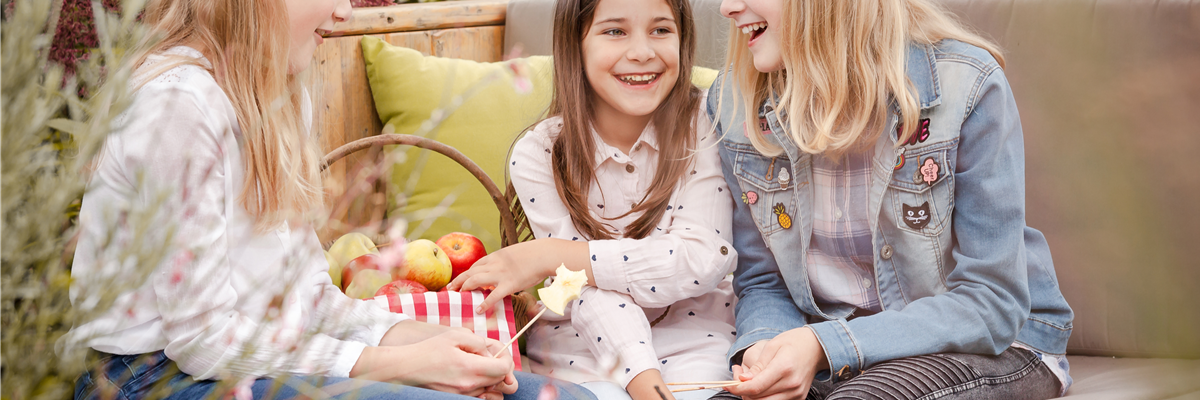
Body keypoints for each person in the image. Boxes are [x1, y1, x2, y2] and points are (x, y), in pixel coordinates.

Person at [65, 0, 594, 399]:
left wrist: (432, 341)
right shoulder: (177, 105)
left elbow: (313, 302)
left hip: (254, 356)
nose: (344, 11)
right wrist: (398, 364)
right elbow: (202, 340)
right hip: (149, 378)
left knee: (569, 396)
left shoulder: (278, 94)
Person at [708, 0, 1075, 399]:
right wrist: (767, 348)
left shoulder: (966, 84)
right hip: (827, 352)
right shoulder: (734, 104)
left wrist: (824, 344)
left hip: (990, 346)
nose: (727, 7)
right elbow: (764, 281)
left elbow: (992, 302)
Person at [446, 0, 738, 399]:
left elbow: (702, 258)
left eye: (661, 30)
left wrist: (551, 255)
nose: (641, 51)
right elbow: (583, 292)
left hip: (698, 344)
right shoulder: (541, 152)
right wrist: (646, 386)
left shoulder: (709, 122)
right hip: (583, 352)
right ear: (575, 45)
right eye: (615, 31)